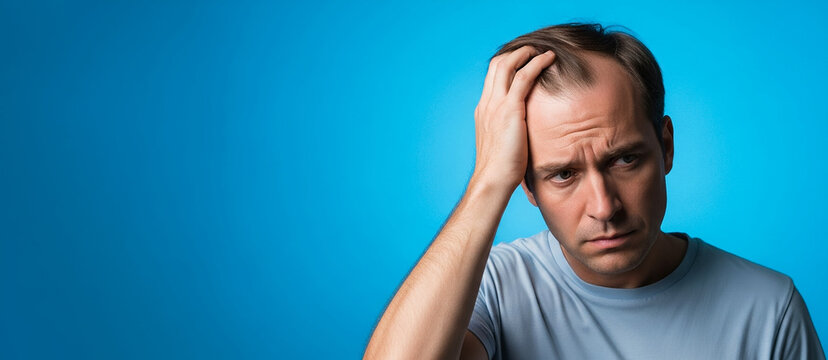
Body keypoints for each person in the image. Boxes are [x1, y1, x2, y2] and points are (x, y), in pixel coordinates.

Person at [363, 23, 824, 360]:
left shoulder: (769, 309)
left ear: (665, 147)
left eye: (624, 159)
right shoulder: (494, 288)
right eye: (562, 174)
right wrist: (487, 182)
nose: (604, 208)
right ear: (526, 185)